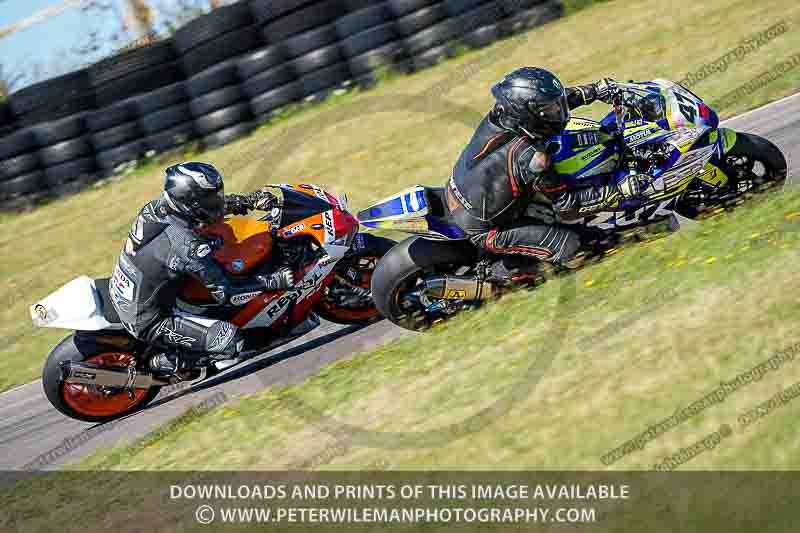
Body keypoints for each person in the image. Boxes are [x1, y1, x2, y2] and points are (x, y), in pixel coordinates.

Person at [445, 67, 648, 282]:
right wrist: (621, 190)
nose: (558, 112)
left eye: (555, 106)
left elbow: (547, 105)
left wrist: (594, 91)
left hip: (463, 191)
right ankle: (495, 272)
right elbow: (568, 206)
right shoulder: (532, 159)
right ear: (529, 113)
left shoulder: (503, 113)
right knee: (576, 248)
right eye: (551, 109)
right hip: (487, 229)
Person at [109, 162, 294, 375]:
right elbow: (227, 293)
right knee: (230, 342)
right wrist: (273, 281)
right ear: (190, 202)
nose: (217, 201)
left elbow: (207, 212)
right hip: (151, 320)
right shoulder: (188, 248)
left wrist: (247, 201)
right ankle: (161, 364)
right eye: (210, 198)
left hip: (131, 290)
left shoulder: (157, 208)